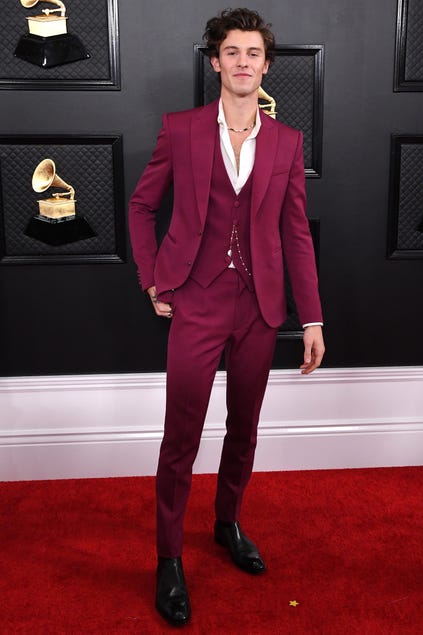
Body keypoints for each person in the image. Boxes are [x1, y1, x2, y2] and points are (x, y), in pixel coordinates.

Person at [128, 7, 325, 627]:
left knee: (244, 429)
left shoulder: (288, 142)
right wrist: (152, 279)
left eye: (253, 53)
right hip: (196, 299)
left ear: (267, 65)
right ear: (215, 62)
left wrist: (312, 319)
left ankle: (227, 524)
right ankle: (168, 559)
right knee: (180, 437)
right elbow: (140, 206)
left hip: (260, 308)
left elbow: (296, 235)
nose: (243, 62)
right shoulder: (180, 130)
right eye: (231, 52)